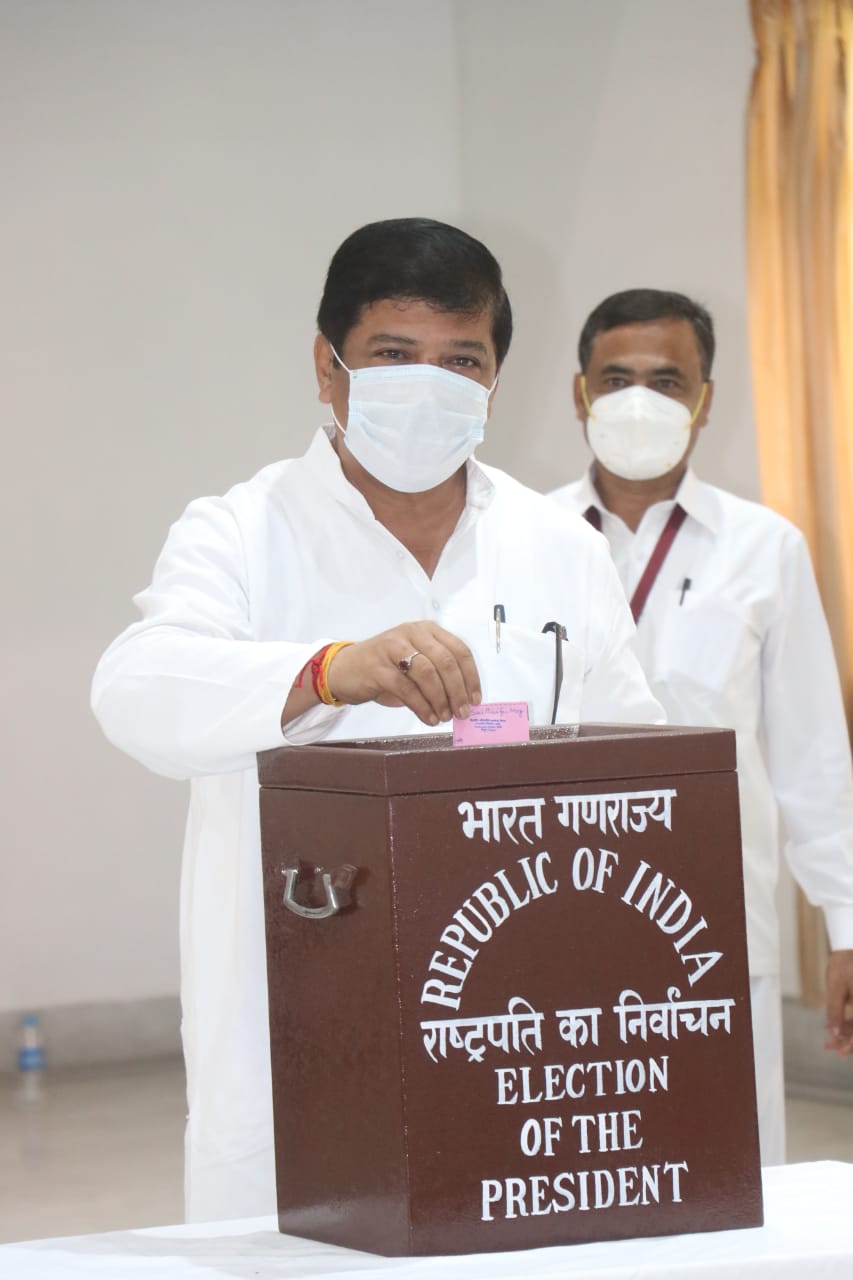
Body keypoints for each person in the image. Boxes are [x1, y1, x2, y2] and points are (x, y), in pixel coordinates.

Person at [91, 220, 663, 1222]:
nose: (428, 385)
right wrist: (326, 671)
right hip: (300, 1015)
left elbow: (634, 766)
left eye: (461, 361)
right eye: (394, 355)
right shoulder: (241, 530)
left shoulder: (556, 546)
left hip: (515, 1019)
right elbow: (135, 690)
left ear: (495, 381)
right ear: (328, 366)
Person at [550, 287, 853, 1165]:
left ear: (704, 400)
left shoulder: (764, 548)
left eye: (666, 381)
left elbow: (809, 757)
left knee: (729, 1160)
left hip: (715, 912)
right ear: (579, 393)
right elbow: (484, 727)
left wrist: (846, 925)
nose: (638, 401)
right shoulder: (523, 537)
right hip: (555, 902)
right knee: (575, 1158)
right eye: (616, 379)